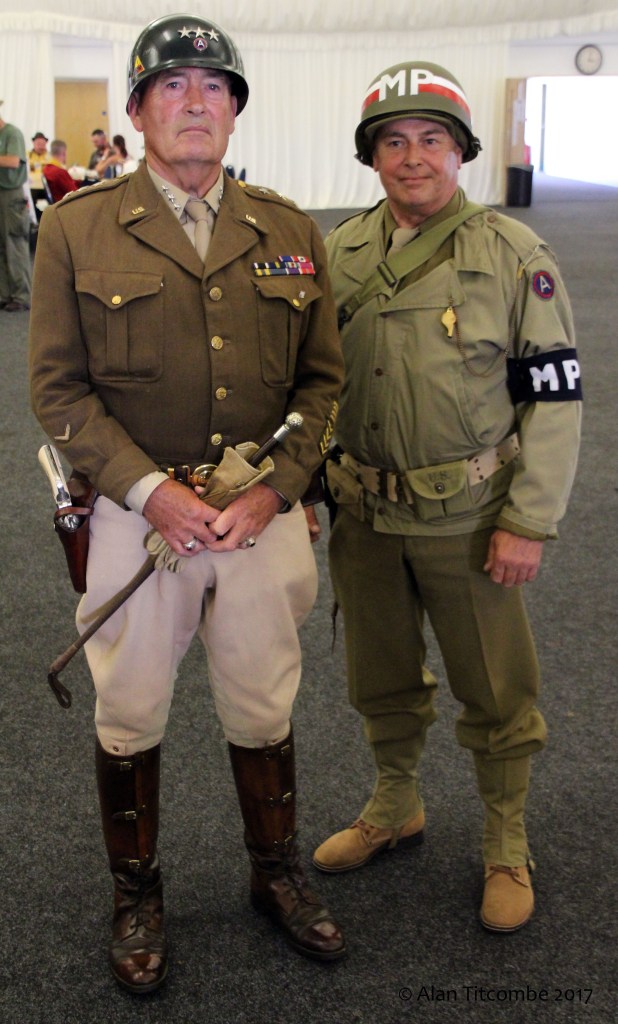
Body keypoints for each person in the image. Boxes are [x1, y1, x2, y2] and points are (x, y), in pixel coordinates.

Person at [29, 12, 345, 994]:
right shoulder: (76, 227)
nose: (195, 101)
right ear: (137, 111)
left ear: (235, 111)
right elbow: (57, 389)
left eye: (215, 86)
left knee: (264, 698)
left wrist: (279, 490)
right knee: (128, 709)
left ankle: (275, 871)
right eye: (172, 86)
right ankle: (137, 893)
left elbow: (322, 383)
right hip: (136, 517)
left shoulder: (289, 230)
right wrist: (151, 491)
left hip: (259, 517)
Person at [310, 61, 582, 934]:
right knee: (380, 677)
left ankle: (505, 840)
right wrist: (309, 483)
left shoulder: (512, 254)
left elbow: (554, 398)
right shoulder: (343, 251)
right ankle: (396, 803)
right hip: (366, 516)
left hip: (470, 519)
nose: (413, 157)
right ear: (372, 157)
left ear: (461, 152)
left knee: (497, 691)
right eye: (394, 141)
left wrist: (529, 520)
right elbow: (315, 383)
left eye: (432, 139)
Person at [0, 100, 31, 311]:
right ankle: (5, 294)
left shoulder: (12, 134)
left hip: (11, 196)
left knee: (14, 244)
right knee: (3, 246)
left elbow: (13, 161)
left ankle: (20, 296)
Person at [28, 131, 49, 215]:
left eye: (43, 144)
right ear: (33, 143)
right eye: (38, 144)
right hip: (32, 187)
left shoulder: (50, 156)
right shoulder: (27, 155)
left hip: (46, 186)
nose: (41, 146)